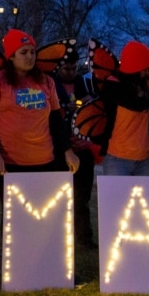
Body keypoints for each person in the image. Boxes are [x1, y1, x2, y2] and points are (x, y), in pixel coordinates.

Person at [0, 29, 79, 181]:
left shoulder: (47, 81)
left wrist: (68, 151)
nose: (30, 57)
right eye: (23, 52)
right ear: (11, 56)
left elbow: (56, 120)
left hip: (44, 160)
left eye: (32, 52)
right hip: (9, 163)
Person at [53, 51, 98, 248]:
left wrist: (83, 104)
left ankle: (84, 238)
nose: (70, 72)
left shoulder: (82, 83)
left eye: (73, 68)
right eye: (66, 69)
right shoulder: (51, 85)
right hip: (60, 148)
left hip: (82, 148)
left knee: (82, 197)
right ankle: (59, 238)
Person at [98, 41, 149, 176]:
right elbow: (135, 103)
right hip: (118, 156)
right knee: (117, 197)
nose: (147, 72)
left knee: (140, 197)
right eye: (144, 68)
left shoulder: (142, 86)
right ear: (134, 67)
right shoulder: (113, 83)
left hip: (142, 156)